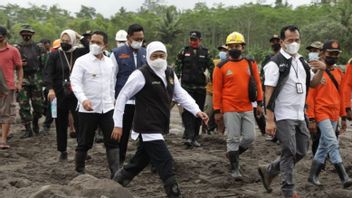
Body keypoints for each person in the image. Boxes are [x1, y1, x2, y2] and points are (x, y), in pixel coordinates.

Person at [111, 41, 208, 198]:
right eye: (154, 56)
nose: (158, 59)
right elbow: (122, 96)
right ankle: (174, 194)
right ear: (148, 57)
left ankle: (116, 183)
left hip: (160, 125)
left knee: (140, 161)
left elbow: (180, 94)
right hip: (147, 125)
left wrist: (197, 111)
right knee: (165, 161)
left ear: (166, 56)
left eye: (161, 56)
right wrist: (118, 124)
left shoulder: (169, 73)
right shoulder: (140, 74)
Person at [258, 25, 326, 198]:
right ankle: (288, 191)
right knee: (289, 151)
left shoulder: (301, 61)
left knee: (301, 150)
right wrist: (270, 120)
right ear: (282, 42)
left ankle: (270, 170)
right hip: (282, 114)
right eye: (290, 40)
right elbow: (268, 92)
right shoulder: (275, 63)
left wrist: (321, 70)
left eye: (297, 40)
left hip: (299, 114)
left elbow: (313, 83)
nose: (294, 43)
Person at [213, 32, 263, 178]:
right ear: (227, 48)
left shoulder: (250, 63)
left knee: (250, 137)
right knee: (233, 138)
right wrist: (217, 110)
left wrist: (259, 102)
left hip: (247, 106)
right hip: (229, 107)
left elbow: (257, 83)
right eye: (231, 46)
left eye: (237, 46)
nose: (234, 48)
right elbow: (217, 90)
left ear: (243, 47)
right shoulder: (221, 67)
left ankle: (232, 154)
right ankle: (235, 168)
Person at [70, 31, 118, 177]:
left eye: (98, 43)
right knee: (84, 142)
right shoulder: (82, 61)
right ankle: (80, 171)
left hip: (107, 108)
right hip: (88, 109)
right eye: (92, 42)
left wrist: (113, 101)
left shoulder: (110, 62)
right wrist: (83, 99)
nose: (94, 45)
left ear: (105, 45)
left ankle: (115, 172)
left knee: (112, 141)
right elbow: (75, 82)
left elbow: (112, 84)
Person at [307, 40, 352, 188]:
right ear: (323, 53)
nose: (333, 56)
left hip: (334, 114)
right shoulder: (316, 71)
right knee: (332, 142)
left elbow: (340, 96)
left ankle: (313, 176)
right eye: (330, 53)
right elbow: (311, 97)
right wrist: (311, 118)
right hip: (321, 113)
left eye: (335, 54)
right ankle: (343, 176)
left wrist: (343, 117)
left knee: (323, 146)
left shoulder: (339, 72)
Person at [45, 29, 89, 160]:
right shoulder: (54, 55)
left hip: (76, 92)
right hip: (59, 93)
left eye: (68, 41)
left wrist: (80, 36)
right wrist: (50, 89)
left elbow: (90, 47)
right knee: (61, 122)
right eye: (62, 41)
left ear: (73, 41)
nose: (64, 43)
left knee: (80, 121)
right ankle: (62, 151)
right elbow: (48, 74)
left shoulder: (79, 52)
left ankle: (82, 150)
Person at [110, 24, 147, 164]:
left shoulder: (146, 52)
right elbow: (112, 78)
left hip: (142, 101)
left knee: (145, 133)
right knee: (122, 134)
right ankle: (118, 162)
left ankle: (144, 161)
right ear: (128, 38)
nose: (139, 41)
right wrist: (112, 98)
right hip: (124, 102)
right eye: (136, 38)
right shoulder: (117, 53)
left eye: (141, 39)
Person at [175, 31, 214, 147]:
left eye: (195, 40)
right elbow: (177, 67)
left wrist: (213, 79)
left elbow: (212, 67)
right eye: (191, 40)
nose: (193, 42)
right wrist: (175, 82)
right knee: (187, 111)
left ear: (200, 40)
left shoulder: (205, 53)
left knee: (199, 112)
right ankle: (189, 136)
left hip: (200, 87)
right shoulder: (183, 52)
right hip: (187, 87)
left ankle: (195, 137)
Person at [17, 24, 44, 138]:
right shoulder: (17, 48)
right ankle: (28, 129)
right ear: (21, 34)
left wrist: (44, 79)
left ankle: (35, 122)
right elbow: (11, 64)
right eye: (24, 33)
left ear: (32, 34)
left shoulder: (39, 47)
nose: (26, 35)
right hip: (23, 78)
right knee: (23, 105)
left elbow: (44, 63)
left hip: (36, 78)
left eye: (28, 33)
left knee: (39, 106)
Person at [0, 26, 23, 149]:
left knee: (6, 113)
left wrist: (19, 82)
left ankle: (3, 139)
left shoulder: (13, 51)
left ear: (4, 37)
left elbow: (19, 67)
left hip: (8, 86)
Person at [259, 34, 281, 138]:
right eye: (273, 41)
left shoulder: (285, 57)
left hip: (281, 90)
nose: (275, 43)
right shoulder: (268, 58)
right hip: (269, 89)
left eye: (277, 40)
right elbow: (262, 74)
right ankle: (273, 134)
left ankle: (279, 134)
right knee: (269, 110)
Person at [202, 45, 227, 135]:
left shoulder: (229, 64)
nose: (223, 52)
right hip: (211, 91)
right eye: (222, 50)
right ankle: (204, 131)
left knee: (222, 115)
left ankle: (220, 133)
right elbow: (207, 76)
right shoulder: (213, 62)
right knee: (207, 112)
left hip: (224, 93)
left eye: (225, 50)